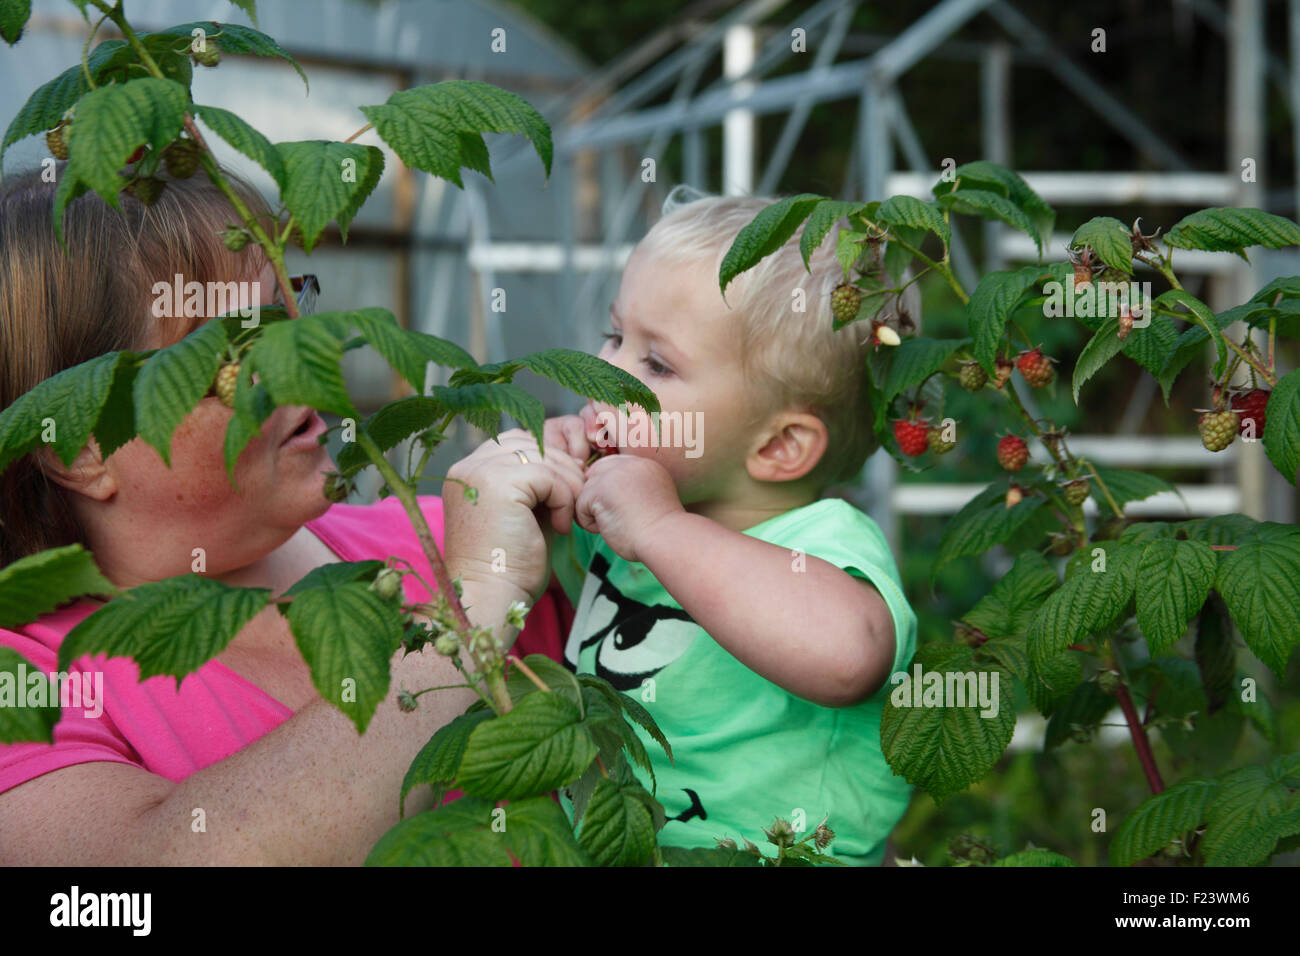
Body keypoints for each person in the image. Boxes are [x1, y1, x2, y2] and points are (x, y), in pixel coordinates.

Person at [0, 166, 585, 865]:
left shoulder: (455, 531)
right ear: (80, 447)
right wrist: (470, 607)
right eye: (231, 347)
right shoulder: (30, 678)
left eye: (289, 309)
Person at [543, 192, 919, 865]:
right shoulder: (631, 519)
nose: (604, 373)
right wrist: (545, 503)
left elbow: (848, 657)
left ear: (778, 447)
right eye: (613, 335)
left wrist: (658, 526)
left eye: (656, 364)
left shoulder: (818, 542)